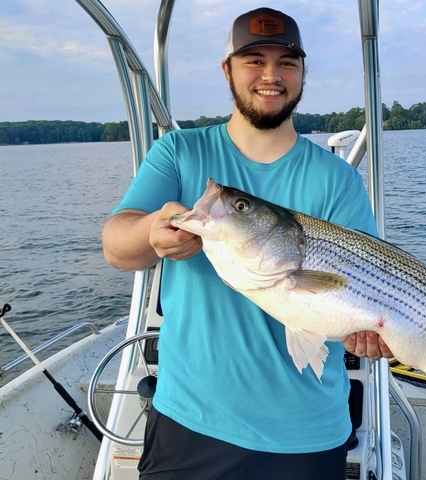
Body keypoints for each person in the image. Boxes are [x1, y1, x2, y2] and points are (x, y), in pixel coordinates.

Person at [102, 7, 392, 479]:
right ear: (228, 70)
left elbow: (368, 286)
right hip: (188, 423)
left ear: (302, 73)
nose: (271, 76)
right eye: (254, 60)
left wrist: (370, 334)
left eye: (287, 63)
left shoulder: (337, 180)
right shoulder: (180, 151)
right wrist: (150, 230)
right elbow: (116, 246)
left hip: (308, 433)